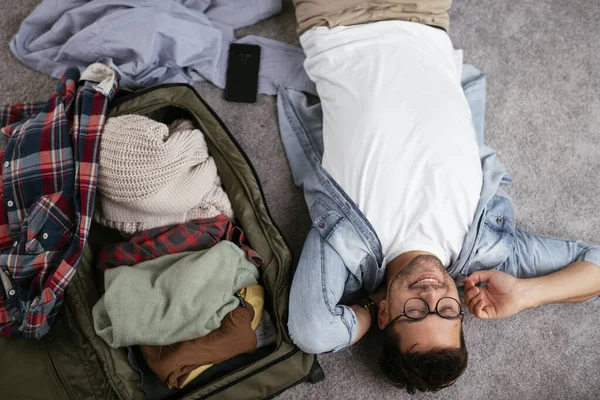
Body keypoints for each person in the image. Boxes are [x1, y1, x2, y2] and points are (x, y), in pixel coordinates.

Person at [276, 0, 600, 394]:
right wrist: (525, 295)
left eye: (414, 313)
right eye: (446, 310)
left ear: (384, 317)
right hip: (423, 16)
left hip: (337, 20)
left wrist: (371, 300)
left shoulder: (348, 253)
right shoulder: (489, 251)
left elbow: (313, 330)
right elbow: (595, 263)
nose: (431, 293)